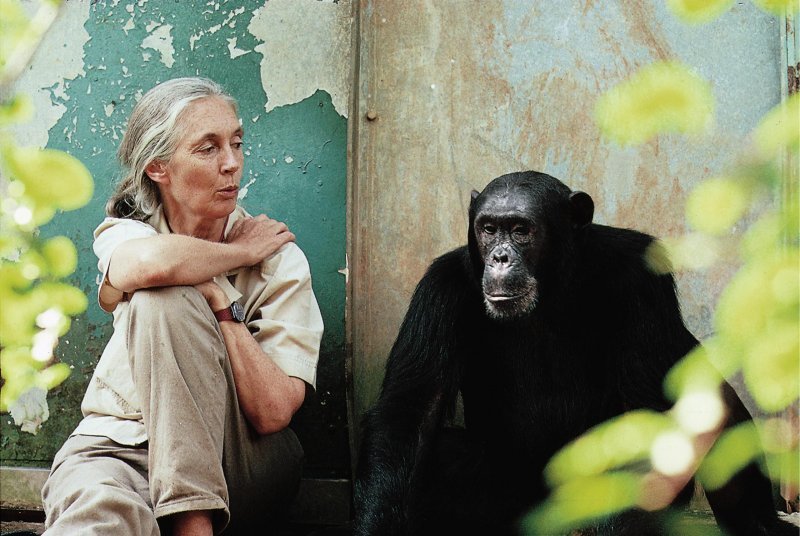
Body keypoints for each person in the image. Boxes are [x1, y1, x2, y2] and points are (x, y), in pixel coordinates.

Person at [41, 77, 324, 535]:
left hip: (238, 460)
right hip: (120, 448)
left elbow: (273, 412)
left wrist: (222, 307)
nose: (232, 164)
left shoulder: (279, 261)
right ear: (158, 167)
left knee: (167, 297)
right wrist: (235, 257)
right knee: (94, 519)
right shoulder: (130, 231)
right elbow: (150, 264)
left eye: (236, 143)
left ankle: (192, 525)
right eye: (207, 148)